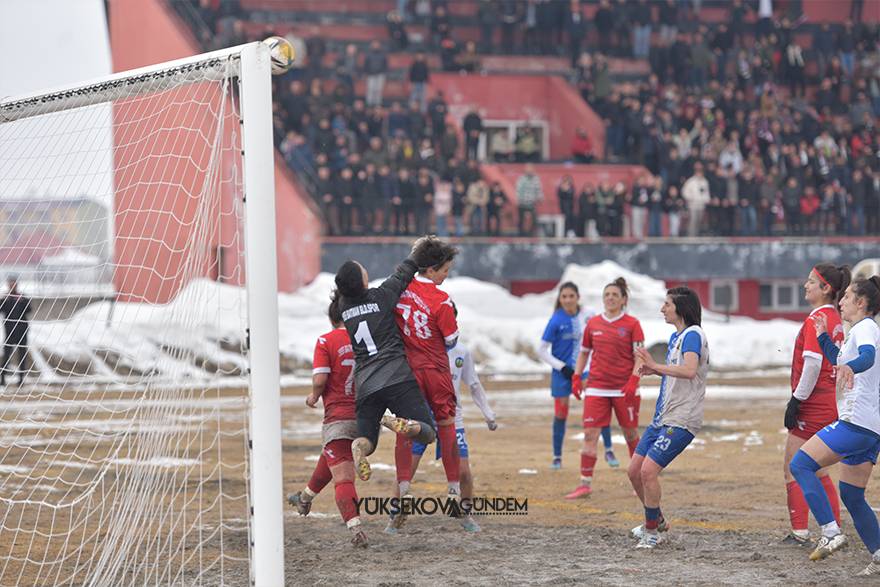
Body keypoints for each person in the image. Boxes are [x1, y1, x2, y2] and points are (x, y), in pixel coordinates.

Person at [790, 276, 880, 574]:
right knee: (852, 495)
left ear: (861, 302)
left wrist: (850, 367)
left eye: (846, 297)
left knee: (801, 464)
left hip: (856, 423)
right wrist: (824, 337)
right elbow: (837, 359)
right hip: (870, 428)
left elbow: (866, 357)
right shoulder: (858, 330)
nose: (840, 302)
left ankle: (830, 531)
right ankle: (879, 555)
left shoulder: (866, 327)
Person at [334, 240, 438, 485]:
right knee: (428, 432)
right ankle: (406, 425)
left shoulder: (344, 306)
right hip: (396, 377)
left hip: (366, 387)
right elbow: (404, 272)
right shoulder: (381, 297)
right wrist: (418, 250)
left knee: (367, 439)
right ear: (362, 281)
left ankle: (358, 446)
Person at [390, 237, 464, 531]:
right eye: (445, 269)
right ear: (432, 269)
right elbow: (451, 340)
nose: (447, 275)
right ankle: (454, 492)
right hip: (435, 370)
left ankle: (405, 490)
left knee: (404, 427)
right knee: (446, 425)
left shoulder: (400, 290)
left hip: (408, 372)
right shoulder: (443, 301)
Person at [629, 286, 709, 549]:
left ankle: (651, 532)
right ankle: (658, 520)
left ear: (681, 308)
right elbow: (679, 371)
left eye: (667, 304)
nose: (662, 309)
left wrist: (654, 365)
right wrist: (656, 372)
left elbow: (688, 371)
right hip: (662, 418)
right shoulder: (677, 337)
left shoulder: (693, 335)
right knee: (634, 472)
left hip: (682, 420)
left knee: (648, 472)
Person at [406, 304, 497, 533]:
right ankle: (395, 517)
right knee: (406, 471)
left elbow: (473, 384)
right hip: (422, 417)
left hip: (451, 417)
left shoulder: (461, 352)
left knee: (464, 472)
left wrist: (488, 414)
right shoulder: (419, 350)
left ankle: (465, 515)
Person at [287, 297, 367, 547]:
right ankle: (304, 497)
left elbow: (321, 379)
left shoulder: (325, 340)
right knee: (332, 454)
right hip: (365, 418)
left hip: (339, 418)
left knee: (343, 478)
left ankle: (356, 530)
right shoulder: (366, 339)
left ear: (332, 318)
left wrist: (314, 396)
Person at [781, 264, 850, 545]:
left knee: (792, 466)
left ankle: (801, 532)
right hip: (829, 401)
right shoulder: (834, 316)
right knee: (818, 467)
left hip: (813, 404)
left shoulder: (818, 318)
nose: (805, 285)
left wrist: (796, 399)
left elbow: (812, 363)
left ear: (826, 289)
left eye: (812, 282)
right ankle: (833, 528)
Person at [569, 278, 644, 499]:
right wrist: (576, 376)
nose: (610, 298)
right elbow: (583, 353)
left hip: (624, 389)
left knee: (630, 434)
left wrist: (633, 381)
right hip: (597, 388)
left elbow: (640, 357)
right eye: (607, 295)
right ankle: (585, 484)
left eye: (614, 295)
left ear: (623, 300)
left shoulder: (632, 324)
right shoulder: (593, 324)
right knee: (590, 434)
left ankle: (637, 479)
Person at [538, 282, 618, 471]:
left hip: (586, 371)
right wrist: (561, 366)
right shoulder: (556, 320)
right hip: (562, 373)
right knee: (560, 413)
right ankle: (557, 457)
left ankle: (609, 449)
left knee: (598, 409)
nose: (567, 300)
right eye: (564, 296)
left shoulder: (588, 314)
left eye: (571, 296)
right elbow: (541, 350)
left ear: (578, 297)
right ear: (559, 299)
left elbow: (603, 328)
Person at [0, 277, 31, 386]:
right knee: (6, 355)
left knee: (22, 356)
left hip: (22, 331)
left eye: (14, 284)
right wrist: (5, 299)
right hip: (9, 332)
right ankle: (2, 379)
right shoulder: (6, 299)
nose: (12, 286)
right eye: (10, 284)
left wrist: (22, 301)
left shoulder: (22, 298)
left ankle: (21, 380)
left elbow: (29, 309)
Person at [516, 163, 544, 236]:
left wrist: (540, 198)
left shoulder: (536, 179)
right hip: (522, 203)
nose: (529, 171)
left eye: (531, 169)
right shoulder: (521, 179)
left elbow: (538, 190)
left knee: (534, 220)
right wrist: (519, 200)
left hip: (532, 203)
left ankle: (531, 234)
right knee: (521, 220)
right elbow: (518, 191)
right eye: (528, 169)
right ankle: (521, 235)